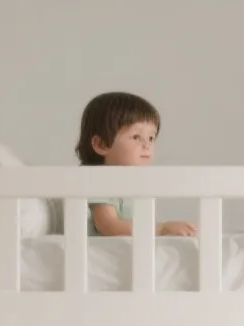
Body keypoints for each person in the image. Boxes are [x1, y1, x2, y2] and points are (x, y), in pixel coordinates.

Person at [74, 91, 196, 237]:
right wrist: (162, 228)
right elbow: (108, 225)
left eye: (151, 138)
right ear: (102, 144)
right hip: (100, 250)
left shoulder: (133, 182)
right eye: (136, 137)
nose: (147, 145)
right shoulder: (96, 179)